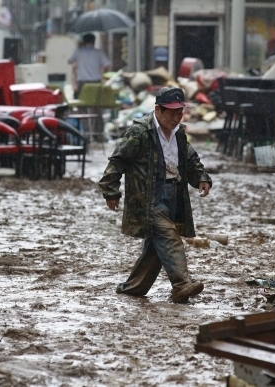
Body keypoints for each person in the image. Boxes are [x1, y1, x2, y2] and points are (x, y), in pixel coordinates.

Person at [98, 86, 212, 303]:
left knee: (155, 247)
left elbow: (190, 160)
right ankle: (181, 284)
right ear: (158, 110)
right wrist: (110, 191)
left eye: (180, 112)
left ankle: (133, 288)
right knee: (169, 237)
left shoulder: (178, 132)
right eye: (171, 112)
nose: (176, 117)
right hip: (147, 196)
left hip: (172, 194)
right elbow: (118, 160)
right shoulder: (141, 132)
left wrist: (202, 178)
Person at [68, 33, 111, 98]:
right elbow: (107, 65)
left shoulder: (78, 52)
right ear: (94, 41)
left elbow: (69, 61)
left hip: (82, 83)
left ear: (84, 41)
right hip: (96, 82)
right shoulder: (99, 52)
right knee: (95, 102)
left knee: (81, 101)